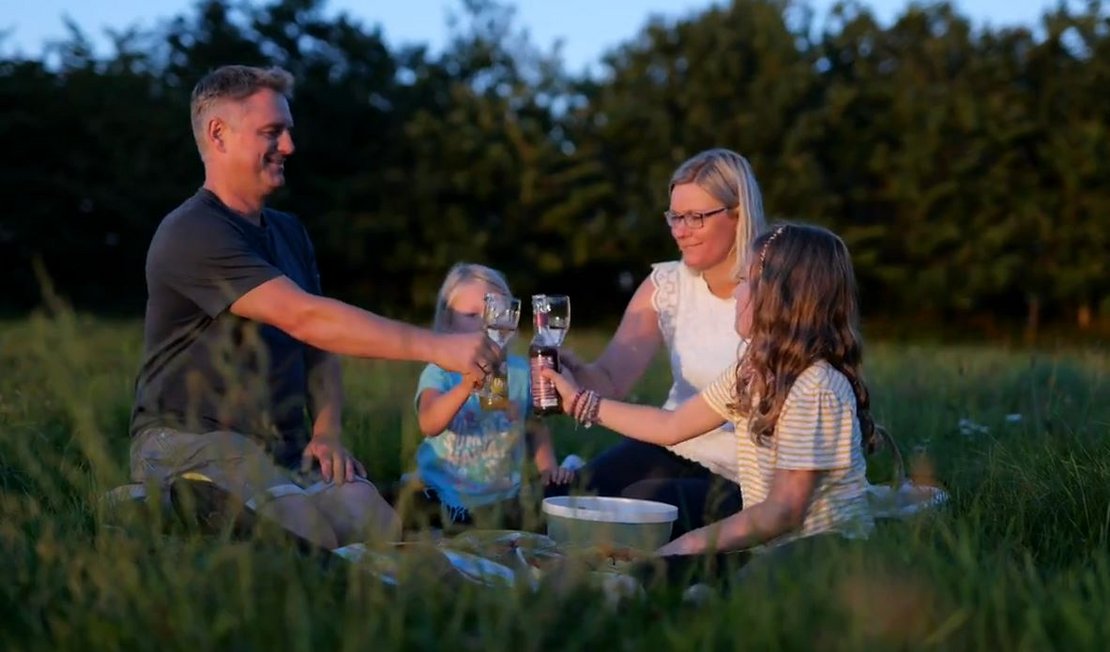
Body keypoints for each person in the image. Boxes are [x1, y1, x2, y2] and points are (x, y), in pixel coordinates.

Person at [128, 65, 500, 551]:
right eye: (272, 132)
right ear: (218, 134)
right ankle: (147, 504)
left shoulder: (289, 232)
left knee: (379, 531)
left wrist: (327, 430)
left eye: (287, 132)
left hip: (280, 448)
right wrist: (440, 346)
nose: (289, 147)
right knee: (313, 538)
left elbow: (318, 345)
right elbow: (304, 315)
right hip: (191, 437)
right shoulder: (192, 232)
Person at [545, 223, 880, 563]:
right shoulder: (751, 372)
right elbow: (671, 425)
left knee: (660, 571)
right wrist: (578, 401)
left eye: (747, 281)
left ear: (781, 296)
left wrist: (682, 547)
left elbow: (784, 511)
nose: (736, 293)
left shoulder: (815, 386)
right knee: (652, 569)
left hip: (824, 551)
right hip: (770, 545)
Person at [561, 148, 767, 536]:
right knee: (567, 496)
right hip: (672, 444)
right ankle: (440, 514)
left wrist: (582, 403)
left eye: (695, 217)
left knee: (642, 510)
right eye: (675, 216)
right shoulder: (668, 283)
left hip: (745, 472)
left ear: (738, 214)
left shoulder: (773, 292)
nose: (679, 230)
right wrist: (570, 371)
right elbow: (608, 380)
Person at [407, 263, 574, 529]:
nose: (486, 324)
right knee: (415, 518)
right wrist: (465, 387)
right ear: (448, 321)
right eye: (472, 315)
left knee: (552, 507)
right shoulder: (440, 371)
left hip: (503, 499)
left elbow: (534, 427)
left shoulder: (518, 372)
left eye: (497, 313)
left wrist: (548, 469)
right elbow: (429, 423)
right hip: (442, 495)